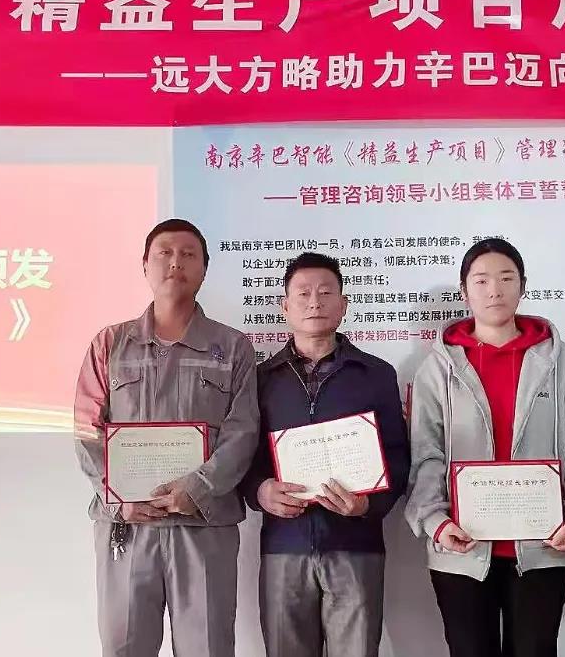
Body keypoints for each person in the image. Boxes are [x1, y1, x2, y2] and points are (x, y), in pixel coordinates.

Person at [404, 237, 565, 657]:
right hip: (460, 547)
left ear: (523, 285)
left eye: (506, 278)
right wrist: (435, 521)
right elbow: (426, 453)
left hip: (543, 545)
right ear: (464, 291)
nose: (494, 290)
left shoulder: (562, 363)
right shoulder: (437, 369)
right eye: (481, 280)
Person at [73, 218, 260, 657]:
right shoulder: (110, 344)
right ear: (145, 266)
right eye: (165, 253)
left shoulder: (233, 347)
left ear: (204, 269)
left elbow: (243, 430)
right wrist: (118, 497)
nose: (176, 262)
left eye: (189, 254)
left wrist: (199, 487)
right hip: (128, 524)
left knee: (207, 647)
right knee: (124, 645)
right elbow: (87, 429)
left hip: (203, 522)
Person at [242, 252, 410, 657]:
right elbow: (243, 455)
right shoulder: (260, 379)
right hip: (284, 544)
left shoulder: (377, 374)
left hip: (356, 543)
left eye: (325, 292)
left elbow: (398, 456)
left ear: (343, 304)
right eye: (303, 293)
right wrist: (260, 492)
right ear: (285, 307)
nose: (314, 302)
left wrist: (368, 505)